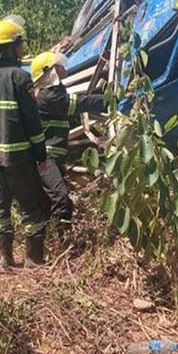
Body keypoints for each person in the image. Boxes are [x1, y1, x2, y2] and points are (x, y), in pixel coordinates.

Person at [0, 17, 49, 268]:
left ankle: (5, 257)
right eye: (21, 43)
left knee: (0, 205)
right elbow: (32, 120)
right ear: (14, 45)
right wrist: (41, 153)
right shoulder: (20, 78)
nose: (23, 48)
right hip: (18, 156)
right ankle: (33, 258)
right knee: (31, 206)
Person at [30, 51, 105, 241]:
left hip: (54, 157)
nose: (64, 68)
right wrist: (110, 99)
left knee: (50, 200)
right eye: (59, 65)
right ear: (51, 71)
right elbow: (79, 103)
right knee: (61, 197)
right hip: (46, 158)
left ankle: (52, 240)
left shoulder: (55, 92)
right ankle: (60, 241)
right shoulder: (48, 97)